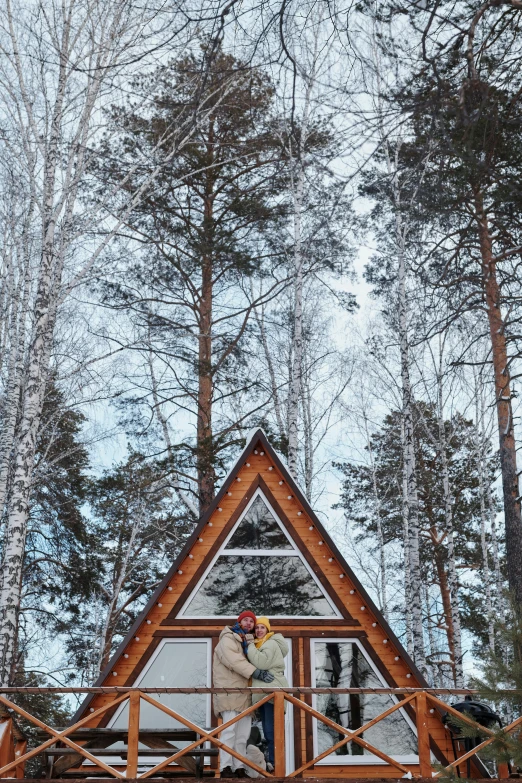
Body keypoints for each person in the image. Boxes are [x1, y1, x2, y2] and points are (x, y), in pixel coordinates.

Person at [213, 611, 274, 778]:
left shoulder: (248, 643)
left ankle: (238, 766)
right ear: (239, 622)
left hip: (246, 694)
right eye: (245, 620)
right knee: (229, 731)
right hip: (230, 692)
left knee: (243, 735)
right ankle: (225, 767)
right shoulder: (228, 638)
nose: (249, 623)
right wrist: (256, 672)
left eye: (251, 622)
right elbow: (234, 661)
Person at [246, 617, 289, 772]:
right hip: (265, 693)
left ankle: (276, 764)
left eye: (262, 628)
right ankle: (271, 763)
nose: (258, 630)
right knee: (268, 729)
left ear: (268, 630)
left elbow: (261, 663)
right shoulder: (261, 644)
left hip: (272, 692)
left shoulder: (269, 643)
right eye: (257, 628)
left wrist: (250, 645)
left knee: (271, 731)